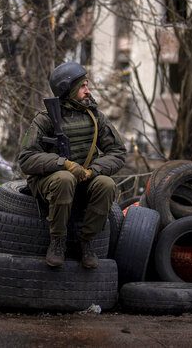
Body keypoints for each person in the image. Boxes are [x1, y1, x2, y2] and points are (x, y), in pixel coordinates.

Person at [17, 62, 126, 269]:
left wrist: (95, 170)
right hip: (52, 180)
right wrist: (63, 163)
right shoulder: (46, 119)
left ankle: (87, 242)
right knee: (65, 179)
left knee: (106, 184)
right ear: (69, 89)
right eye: (83, 86)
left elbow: (118, 152)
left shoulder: (95, 118)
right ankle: (58, 241)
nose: (88, 90)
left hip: (86, 177)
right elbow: (27, 158)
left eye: (87, 85)